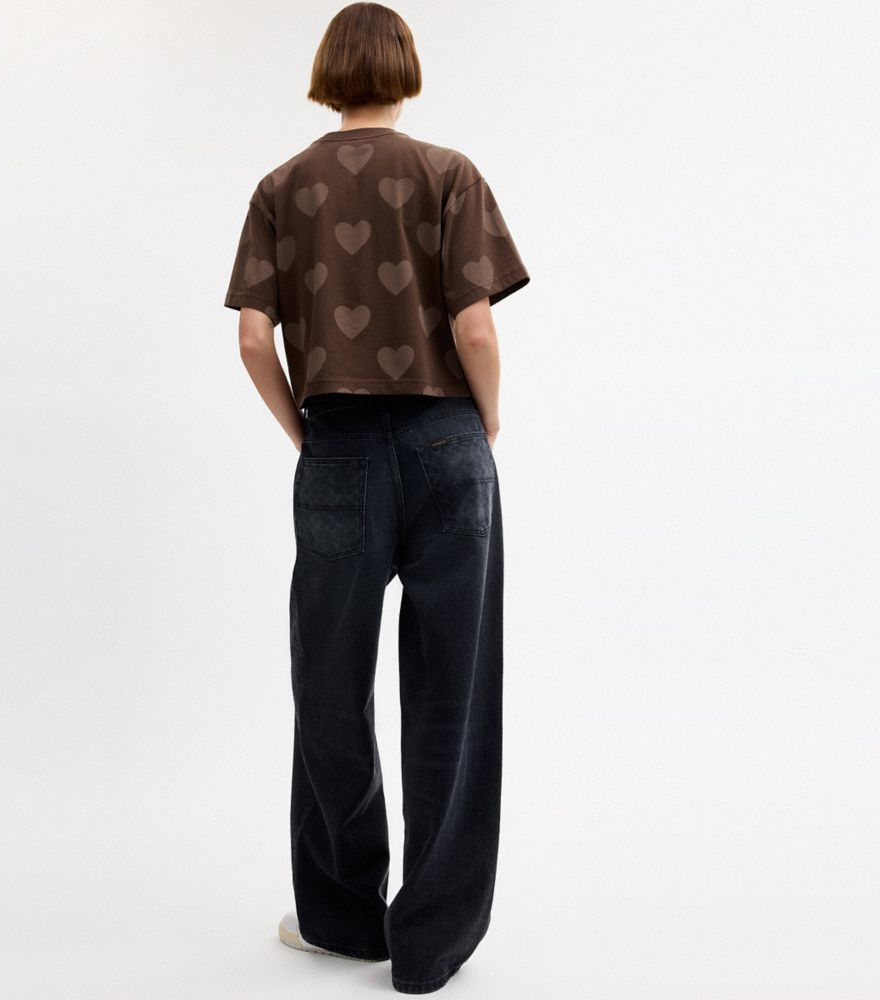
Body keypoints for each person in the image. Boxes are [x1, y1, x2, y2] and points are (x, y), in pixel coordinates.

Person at [223, 3, 530, 993]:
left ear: (327, 75)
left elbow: (250, 340)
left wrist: (305, 432)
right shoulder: (449, 173)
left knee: (329, 685)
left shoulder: (281, 187)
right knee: (452, 692)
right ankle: (430, 945)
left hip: (338, 447)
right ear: (405, 70)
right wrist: (485, 421)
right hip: (447, 442)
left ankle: (345, 919)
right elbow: (475, 328)